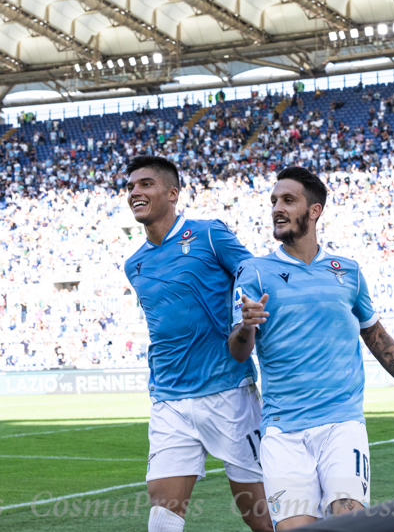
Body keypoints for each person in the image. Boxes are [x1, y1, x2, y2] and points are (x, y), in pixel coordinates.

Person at [229, 167, 394, 530]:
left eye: (288, 200)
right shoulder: (253, 271)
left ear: (314, 210)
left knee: (348, 524)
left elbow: (379, 339)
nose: (276, 209)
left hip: (342, 424)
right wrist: (245, 326)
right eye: (273, 201)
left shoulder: (346, 271)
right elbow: (238, 351)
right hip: (283, 432)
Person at [123, 155, 271, 532]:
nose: (135, 192)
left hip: (227, 390)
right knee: (162, 518)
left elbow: (252, 271)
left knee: (260, 516)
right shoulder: (134, 264)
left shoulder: (207, 234)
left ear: (172, 193)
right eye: (130, 187)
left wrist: (246, 312)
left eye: (145, 184)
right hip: (169, 398)